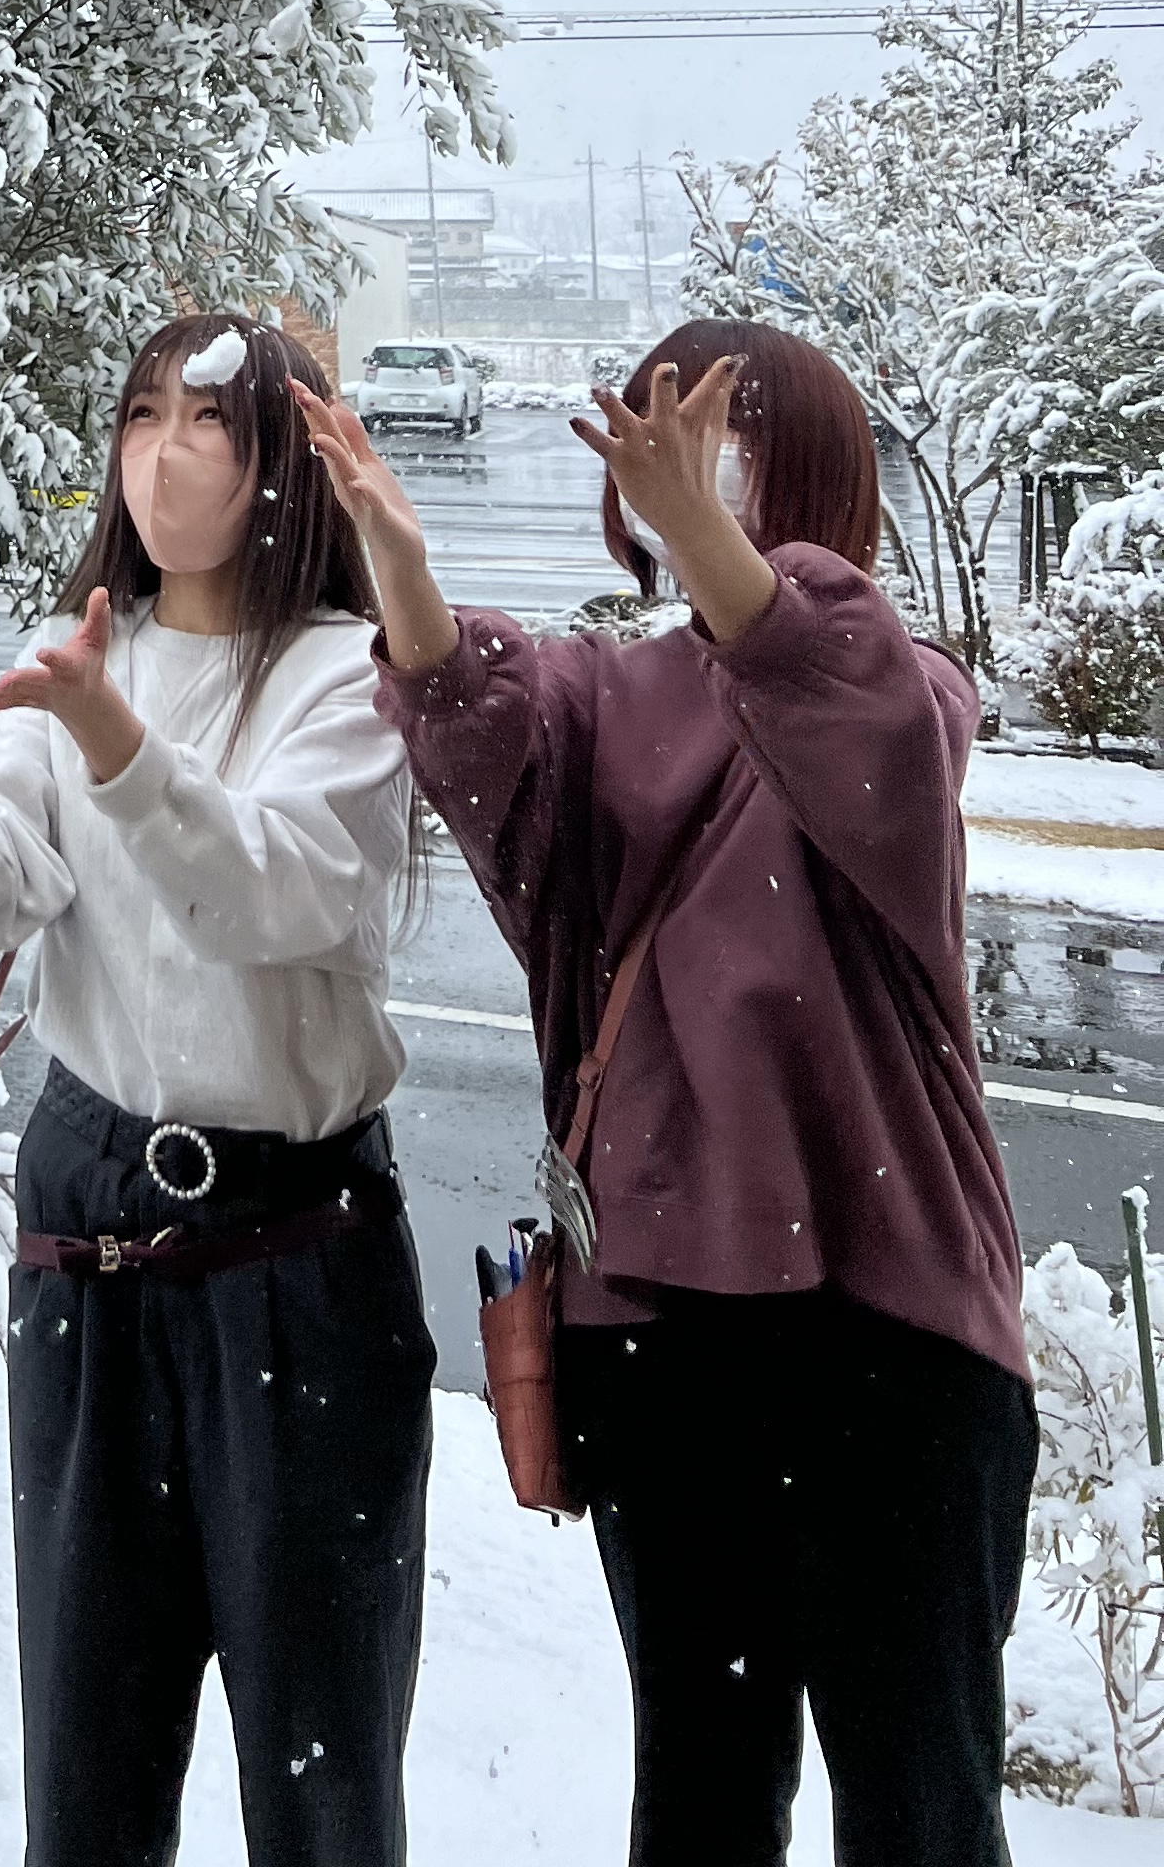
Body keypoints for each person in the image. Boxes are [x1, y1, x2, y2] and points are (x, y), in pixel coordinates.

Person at [300, 321, 1036, 1867]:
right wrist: (399, 564)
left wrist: (705, 529)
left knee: (922, 1804)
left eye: (725, 433)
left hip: (891, 1338)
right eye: (659, 427)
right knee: (701, 1803)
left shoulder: (894, 681)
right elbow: (479, 730)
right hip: (665, 1337)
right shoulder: (600, 698)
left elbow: (854, 701)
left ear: (813, 471)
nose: (681, 453)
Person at [0, 316, 432, 1867]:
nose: (159, 453)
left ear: (283, 471)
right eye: (139, 417)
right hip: (93, 1235)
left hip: (297, 1248)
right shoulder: (88, 653)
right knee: (89, 1764)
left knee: (321, 1772)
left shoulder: (351, 675)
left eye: (206, 425)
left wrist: (104, 729)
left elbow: (269, 893)